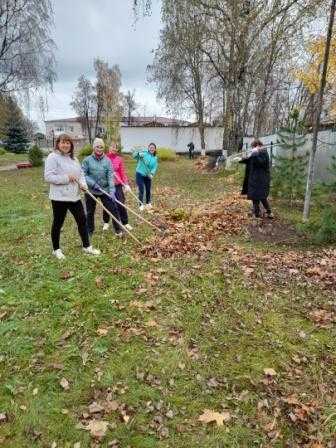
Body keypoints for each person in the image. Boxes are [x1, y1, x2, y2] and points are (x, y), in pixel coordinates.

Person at [44, 134, 101, 260]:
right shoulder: (53, 157)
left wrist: (84, 186)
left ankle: (86, 246)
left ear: (71, 145)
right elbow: (48, 177)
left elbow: (80, 174)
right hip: (59, 197)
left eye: (68, 143)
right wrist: (66, 178)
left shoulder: (74, 159)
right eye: (63, 142)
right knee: (58, 223)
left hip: (74, 197)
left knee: (82, 220)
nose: (65, 145)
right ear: (58, 144)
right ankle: (56, 249)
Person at [82, 138, 123, 236]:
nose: (99, 149)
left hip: (105, 189)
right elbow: (83, 174)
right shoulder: (87, 160)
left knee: (113, 209)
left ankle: (118, 230)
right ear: (93, 147)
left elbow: (110, 176)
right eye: (97, 147)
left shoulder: (107, 161)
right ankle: (89, 230)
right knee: (90, 211)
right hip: (91, 190)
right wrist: (93, 184)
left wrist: (112, 190)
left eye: (101, 147)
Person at [240, 139, 273, 219]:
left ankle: (268, 213)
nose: (253, 148)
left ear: (258, 145)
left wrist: (254, 154)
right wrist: (242, 160)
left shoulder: (263, 153)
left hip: (261, 179)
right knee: (255, 197)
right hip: (254, 179)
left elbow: (260, 162)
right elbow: (251, 160)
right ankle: (257, 214)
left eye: (254, 146)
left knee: (261, 197)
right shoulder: (256, 153)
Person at [104, 141, 133, 231]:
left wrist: (126, 184)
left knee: (121, 203)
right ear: (109, 147)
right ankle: (106, 222)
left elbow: (122, 172)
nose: (114, 148)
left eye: (115, 147)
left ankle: (125, 222)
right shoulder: (104, 158)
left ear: (117, 149)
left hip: (117, 184)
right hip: (107, 185)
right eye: (112, 147)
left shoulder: (119, 159)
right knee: (108, 204)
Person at [133, 142, 158, 211]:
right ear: (148, 148)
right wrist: (137, 154)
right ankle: (141, 204)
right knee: (141, 189)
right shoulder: (144, 153)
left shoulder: (155, 158)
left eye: (153, 148)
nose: (152, 149)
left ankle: (148, 203)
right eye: (150, 147)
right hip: (140, 173)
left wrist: (152, 174)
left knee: (148, 189)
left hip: (148, 175)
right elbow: (134, 156)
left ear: (155, 149)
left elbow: (155, 167)